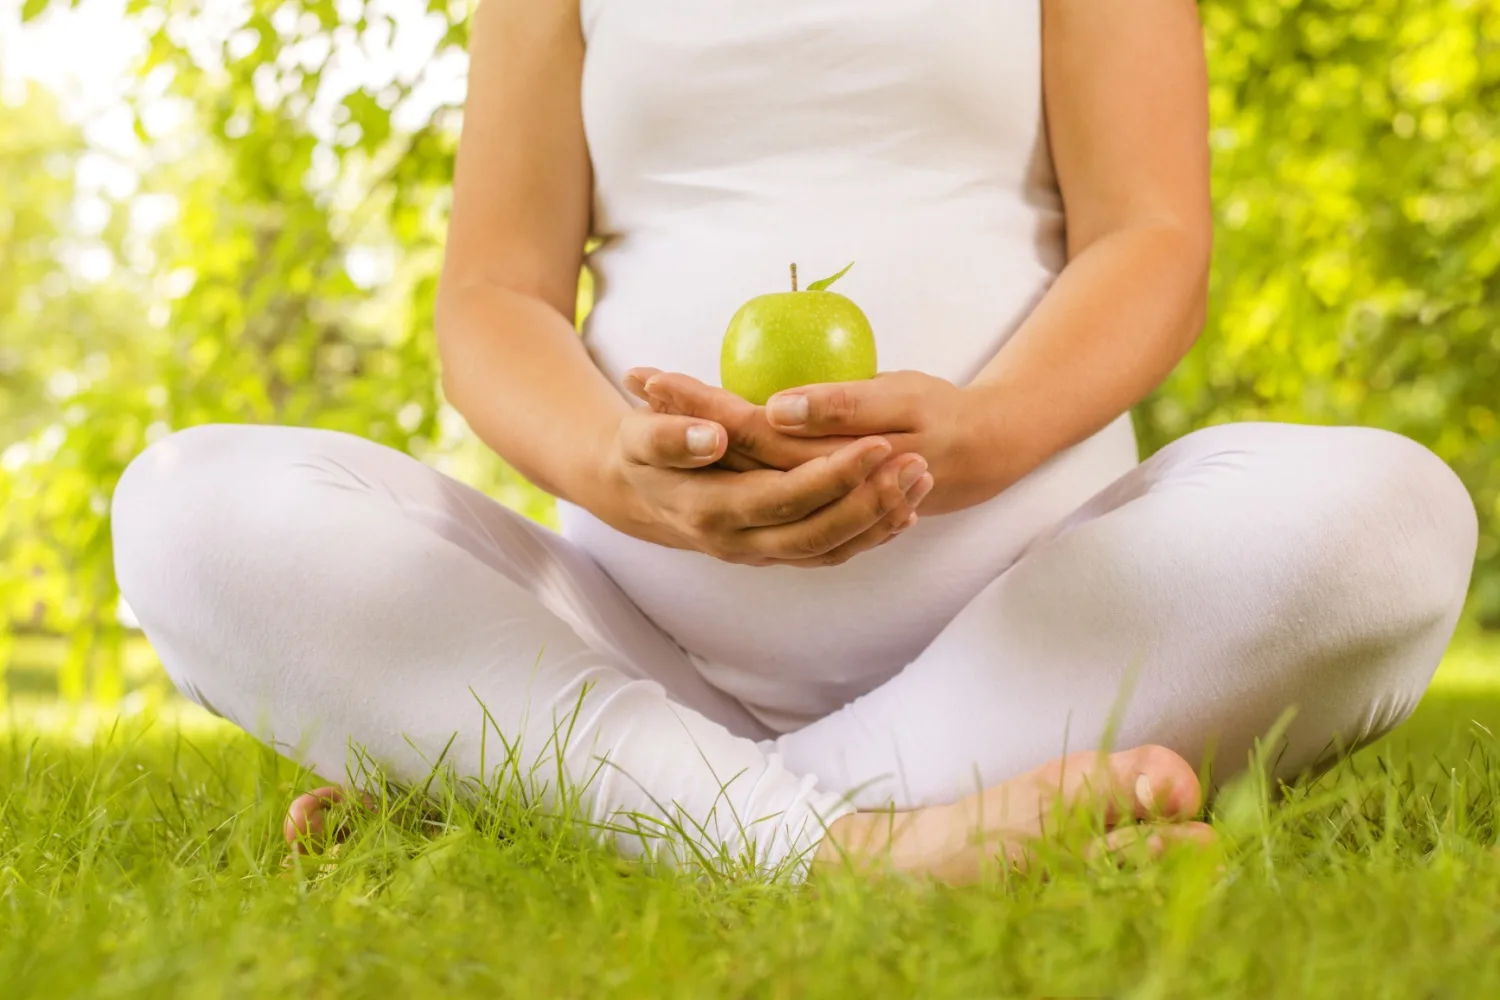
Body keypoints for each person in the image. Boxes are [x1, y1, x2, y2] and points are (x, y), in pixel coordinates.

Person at [111, 0, 1478, 882]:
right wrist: (613, 465)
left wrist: (986, 432)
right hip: (629, 627)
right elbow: (493, 296)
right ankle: (856, 845)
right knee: (189, 508)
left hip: (1034, 614)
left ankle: (587, 800)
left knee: (1390, 513)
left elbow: (1153, 235)